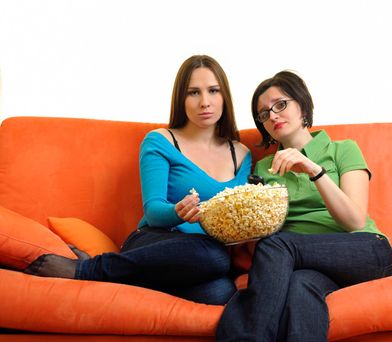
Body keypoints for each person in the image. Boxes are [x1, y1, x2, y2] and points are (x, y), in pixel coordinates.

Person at [23, 55, 252, 305]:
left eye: (213, 91)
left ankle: (123, 277)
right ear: (181, 99)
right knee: (214, 257)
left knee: (221, 293)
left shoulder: (241, 153)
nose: (204, 102)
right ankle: (87, 270)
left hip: (199, 262)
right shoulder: (160, 141)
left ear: (225, 96)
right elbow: (153, 211)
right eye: (193, 93)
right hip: (157, 240)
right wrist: (178, 211)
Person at [214, 71, 392, 342]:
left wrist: (313, 169)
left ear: (302, 104)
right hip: (304, 267)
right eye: (263, 113)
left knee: (280, 245)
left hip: (365, 251)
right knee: (300, 288)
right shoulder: (264, 168)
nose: (273, 115)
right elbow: (261, 238)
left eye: (281, 104)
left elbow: (355, 220)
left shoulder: (342, 150)